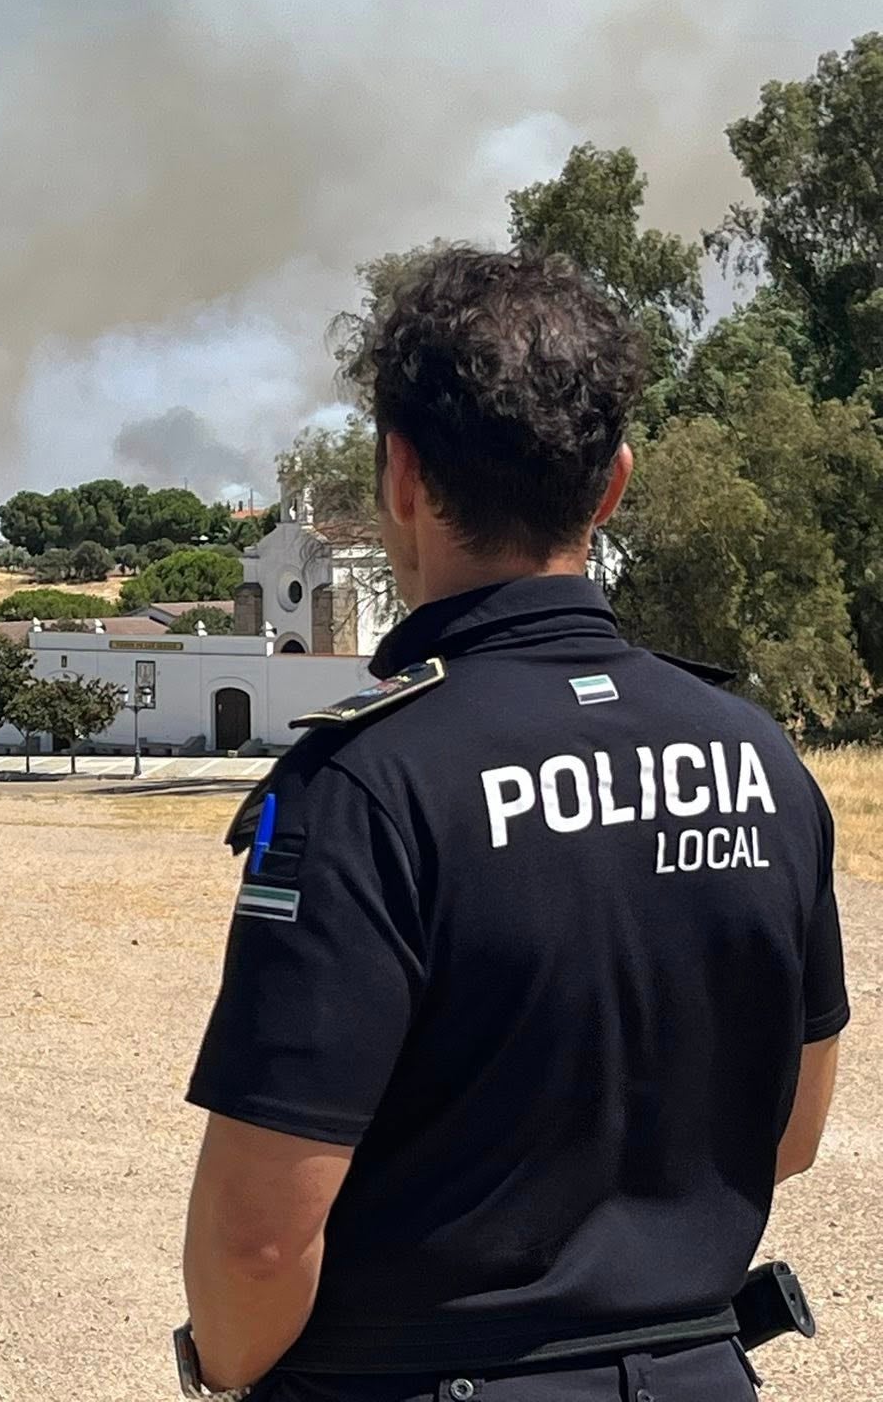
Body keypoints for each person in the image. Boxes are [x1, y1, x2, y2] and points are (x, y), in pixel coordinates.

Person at [177, 248, 847, 1400]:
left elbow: (258, 1241)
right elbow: (784, 1132)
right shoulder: (758, 757)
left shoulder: (368, 781)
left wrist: (229, 1372)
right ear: (613, 482)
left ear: (399, 474)